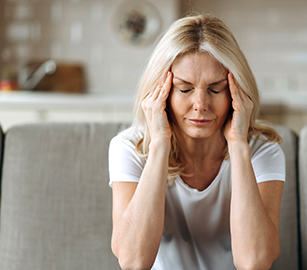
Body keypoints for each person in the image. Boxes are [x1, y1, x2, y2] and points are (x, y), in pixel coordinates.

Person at [108, 14, 285, 270]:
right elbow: (133, 262)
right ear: (161, 92)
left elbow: (254, 262)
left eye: (215, 89)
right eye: (184, 89)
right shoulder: (128, 148)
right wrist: (159, 144)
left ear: (237, 92)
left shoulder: (262, 151)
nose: (200, 105)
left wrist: (237, 145)